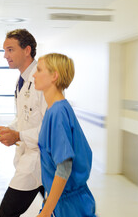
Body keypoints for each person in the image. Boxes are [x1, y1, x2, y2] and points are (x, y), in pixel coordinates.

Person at [0, 29, 47, 217]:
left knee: (7, 212)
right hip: (29, 156)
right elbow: (25, 117)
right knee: (55, 209)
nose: (5, 55)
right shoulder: (22, 80)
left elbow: (50, 128)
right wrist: (10, 129)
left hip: (40, 158)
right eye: (5, 50)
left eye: (10, 49)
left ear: (27, 50)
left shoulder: (42, 79)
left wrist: (18, 135)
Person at [33, 53, 96, 217]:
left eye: (39, 70)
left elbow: (64, 168)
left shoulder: (58, 112)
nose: (34, 74)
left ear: (54, 76)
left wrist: (45, 212)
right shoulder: (53, 109)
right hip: (61, 201)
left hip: (70, 204)